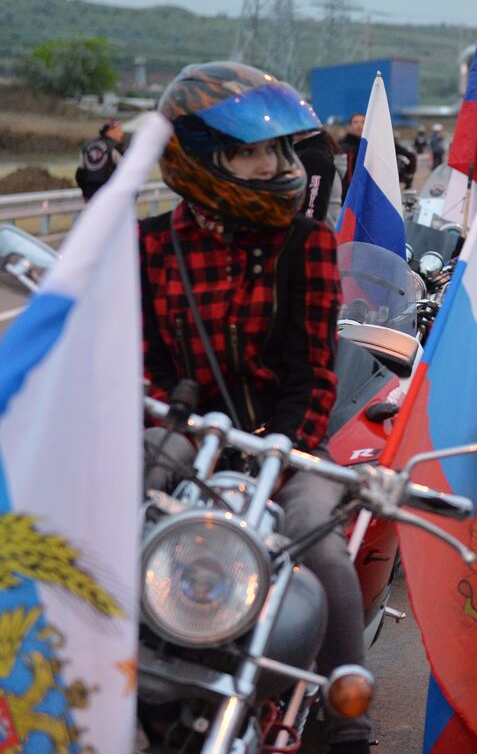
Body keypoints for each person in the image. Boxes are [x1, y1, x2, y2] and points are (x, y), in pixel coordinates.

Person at [139, 61, 372, 753]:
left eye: (276, 149)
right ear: (202, 160)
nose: (272, 165)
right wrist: (169, 420)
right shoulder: (150, 243)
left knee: (320, 546)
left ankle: (348, 713)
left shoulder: (307, 243)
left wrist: (277, 445)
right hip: (184, 430)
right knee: (116, 515)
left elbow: (314, 372)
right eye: (250, 151)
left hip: (287, 439)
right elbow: (145, 360)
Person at [294, 127, 341, 223]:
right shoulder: (302, 151)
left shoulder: (315, 157)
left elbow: (313, 209)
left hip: (309, 232)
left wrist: (304, 234)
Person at [76, 120, 124, 201]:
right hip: (111, 194)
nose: (121, 134)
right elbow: (126, 172)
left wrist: (86, 193)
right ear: (110, 131)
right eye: (119, 131)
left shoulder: (86, 146)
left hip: (92, 194)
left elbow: (80, 174)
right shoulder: (115, 147)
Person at [339, 112, 365, 189]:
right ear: (349, 126)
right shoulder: (343, 147)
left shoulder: (371, 145)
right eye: (356, 122)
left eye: (362, 122)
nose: (359, 125)